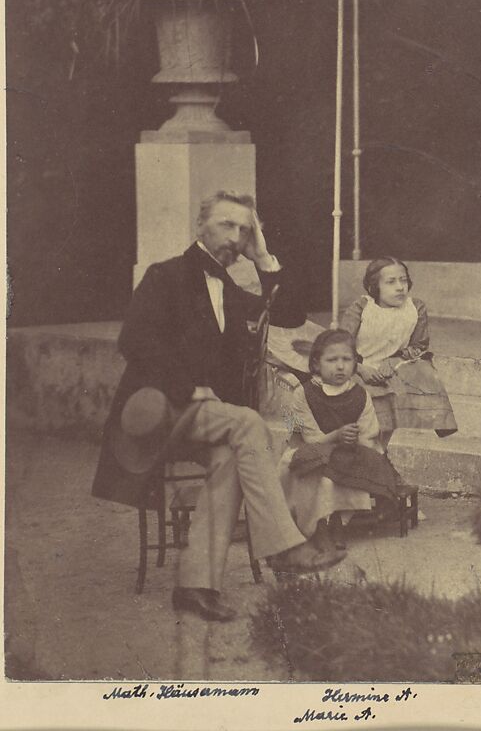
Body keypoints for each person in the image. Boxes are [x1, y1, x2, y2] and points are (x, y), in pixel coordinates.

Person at [92, 191, 346, 622]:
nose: (236, 236)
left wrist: (263, 257)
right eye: (227, 225)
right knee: (248, 425)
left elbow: (288, 312)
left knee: (230, 456)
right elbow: (133, 341)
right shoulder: (165, 276)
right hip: (155, 412)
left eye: (244, 229)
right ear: (200, 225)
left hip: (204, 421)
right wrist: (190, 387)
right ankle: (284, 548)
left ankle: (196, 585)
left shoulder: (228, 288)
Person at [278, 329, 400, 553]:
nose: (340, 366)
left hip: (347, 451)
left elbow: (368, 433)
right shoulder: (303, 394)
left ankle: (339, 522)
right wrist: (335, 436)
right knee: (319, 474)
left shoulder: (360, 395)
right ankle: (319, 524)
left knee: (351, 466)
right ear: (316, 364)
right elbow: (307, 437)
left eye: (347, 359)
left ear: (355, 363)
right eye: (332, 360)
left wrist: (354, 439)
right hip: (310, 449)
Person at [339, 257, 457, 453]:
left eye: (403, 280)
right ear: (374, 286)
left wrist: (395, 361)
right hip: (357, 371)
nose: (400, 287)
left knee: (383, 433)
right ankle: (373, 467)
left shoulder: (415, 308)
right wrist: (360, 368)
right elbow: (340, 345)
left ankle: (379, 464)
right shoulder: (362, 307)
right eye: (391, 282)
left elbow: (419, 345)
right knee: (366, 434)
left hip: (393, 372)